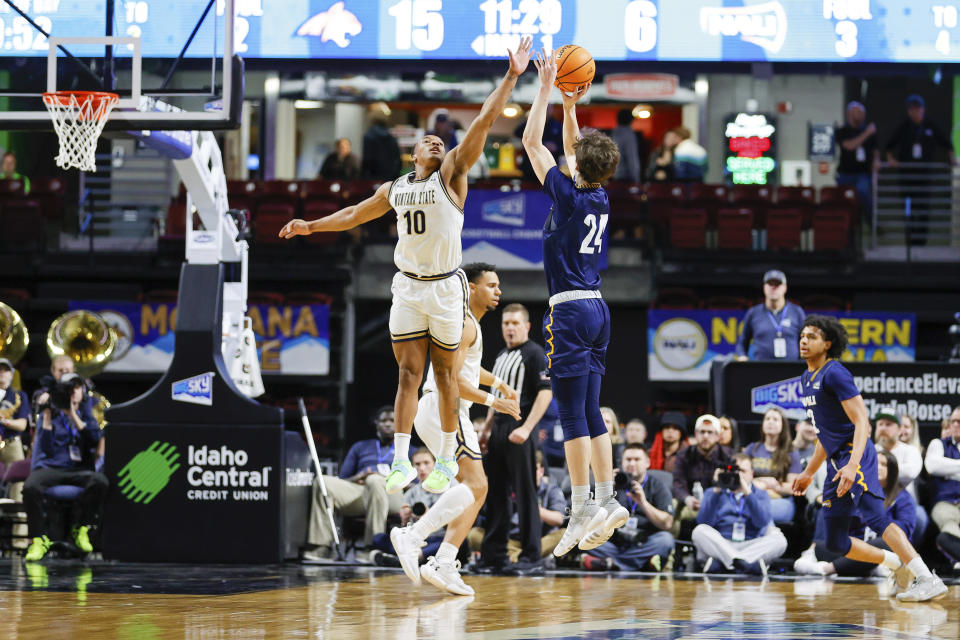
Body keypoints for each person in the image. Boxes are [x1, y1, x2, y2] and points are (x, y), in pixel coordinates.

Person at [280, 38, 534, 498]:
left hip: (444, 288)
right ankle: (399, 458)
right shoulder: (395, 188)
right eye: (426, 141)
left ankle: (442, 460)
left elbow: (484, 121)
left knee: (444, 376)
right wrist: (311, 226)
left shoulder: (453, 174)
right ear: (412, 155)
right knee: (406, 376)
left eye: (440, 139)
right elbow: (354, 214)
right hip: (408, 288)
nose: (436, 141)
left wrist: (512, 77)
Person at [521, 49, 627, 557]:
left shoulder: (565, 195)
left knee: (568, 415)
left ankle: (583, 505)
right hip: (599, 310)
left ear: (576, 167)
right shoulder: (599, 195)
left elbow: (529, 142)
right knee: (590, 411)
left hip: (568, 309)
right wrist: (570, 106)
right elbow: (569, 148)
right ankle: (606, 498)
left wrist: (544, 88)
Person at [791, 315, 946, 601]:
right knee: (836, 540)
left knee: (875, 517)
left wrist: (852, 465)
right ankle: (897, 565)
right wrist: (809, 472)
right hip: (835, 460)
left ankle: (926, 577)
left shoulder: (834, 373)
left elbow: (863, 422)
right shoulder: (806, 378)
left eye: (811, 336)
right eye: (802, 335)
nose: (804, 340)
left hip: (855, 455)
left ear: (827, 343)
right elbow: (825, 435)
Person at [389, 263, 521, 594]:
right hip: (444, 408)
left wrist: (500, 382)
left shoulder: (466, 323)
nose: (498, 292)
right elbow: (458, 383)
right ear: (472, 289)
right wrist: (495, 401)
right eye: (491, 285)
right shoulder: (464, 324)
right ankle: (414, 535)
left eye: (499, 285)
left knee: (476, 488)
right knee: (478, 485)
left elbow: (470, 371)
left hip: (437, 408)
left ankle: (445, 561)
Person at [477, 302, 553, 575]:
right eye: (505, 323)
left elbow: (546, 392)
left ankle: (532, 557)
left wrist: (527, 427)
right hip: (498, 426)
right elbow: (493, 399)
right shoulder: (500, 355)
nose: (509, 328)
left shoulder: (535, 354)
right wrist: (486, 430)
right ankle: (494, 556)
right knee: (495, 494)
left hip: (520, 425)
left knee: (525, 493)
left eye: (515, 323)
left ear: (527, 326)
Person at [303, 406, 406, 562]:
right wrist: (360, 476)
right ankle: (321, 546)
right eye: (383, 420)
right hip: (361, 491)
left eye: (392, 420)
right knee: (323, 481)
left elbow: (418, 482)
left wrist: (384, 477)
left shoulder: (408, 449)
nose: (387, 424)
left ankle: (372, 546)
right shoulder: (361, 447)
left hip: (394, 494)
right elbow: (344, 478)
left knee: (376, 480)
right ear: (376, 423)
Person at [795, 449, 917, 578]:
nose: (878, 467)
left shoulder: (903, 497)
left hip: (886, 546)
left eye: (883, 464)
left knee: (883, 544)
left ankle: (828, 569)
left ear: (892, 471)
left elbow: (904, 529)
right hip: (858, 546)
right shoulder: (858, 492)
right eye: (875, 463)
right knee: (822, 548)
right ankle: (867, 568)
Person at [23, 374, 107, 562]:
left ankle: (81, 528)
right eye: (70, 388)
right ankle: (38, 539)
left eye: (77, 387)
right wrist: (46, 415)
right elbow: (47, 448)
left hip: (79, 470)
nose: (73, 391)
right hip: (52, 469)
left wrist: (73, 415)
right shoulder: (52, 414)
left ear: (82, 392)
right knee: (30, 486)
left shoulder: (87, 416)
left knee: (100, 481)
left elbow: (93, 440)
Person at [581, 444, 675, 571]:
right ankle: (642, 563)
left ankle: (609, 563)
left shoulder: (658, 486)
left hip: (644, 542)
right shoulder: (610, 483)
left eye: (637, 459)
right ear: (622, 462)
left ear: (647, 463)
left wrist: (643, 503)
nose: (632, 463)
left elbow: (667, 523)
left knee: (666, 540)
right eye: (628, 459)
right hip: (613, 542)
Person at [692, 453, 787, 575]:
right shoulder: (714, 492)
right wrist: (717, 488)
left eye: (742, 471)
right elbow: (704, 522)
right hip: (722, 543)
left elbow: (762, 522)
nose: (738, 475)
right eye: (735, 471)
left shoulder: (760, 494)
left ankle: (727, 563)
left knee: (779, 540)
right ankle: (745, 564)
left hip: (751, 544)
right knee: (699, 531)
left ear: (752, 473)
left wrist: (748, 494)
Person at [885, 95, 955, 246]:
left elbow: (947, 144)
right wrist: (891, 159)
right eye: (912, 109)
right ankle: (910, 240)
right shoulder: (904, 126)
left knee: (923, 208)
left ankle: (921, 241)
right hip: (906, 177)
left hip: (924, 176)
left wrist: (952, 158)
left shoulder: (930, 125)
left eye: (917, 109)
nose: (915, 112)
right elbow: (889, 145)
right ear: (908, 111)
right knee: (909, 209)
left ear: (923, 110)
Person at [673, 415, 734, 534]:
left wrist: (719, 482)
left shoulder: (728, 456)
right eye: (702, 432)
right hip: (691, 503)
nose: (705, 436)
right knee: (672, 505)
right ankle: (672, 550)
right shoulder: (684, 455)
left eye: (710, 432)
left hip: (719, 502)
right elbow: (677, 484)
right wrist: (687, 498)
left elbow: (732, 488)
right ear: (696, 434)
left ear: (718, 436)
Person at [743, 408, 802, 524]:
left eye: (775, 419)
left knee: (755, 511)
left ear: (783, 426)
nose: (770, 422)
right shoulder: (752, 449)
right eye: (767, 419)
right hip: (753, 497)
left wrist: (774, 485)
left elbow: (793, 488)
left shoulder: (791, 452)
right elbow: (741, 477)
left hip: (780, 501)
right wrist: (761, 482)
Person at [735, 270, 806, 361]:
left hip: (792, 369)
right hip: (761, 369)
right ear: (764, 287)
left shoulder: (797, 311)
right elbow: (742, 341)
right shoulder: (753, 313)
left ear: (785, 288)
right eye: (770, 284)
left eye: (777, 284)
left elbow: (806, 341)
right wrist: (742, 356)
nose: (773, 288)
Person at [924, 406, 960, 568]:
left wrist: (949, 469)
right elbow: (933, 465)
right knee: (948, 524)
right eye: (953, 421)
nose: (956, 425)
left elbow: (942, 466)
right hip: (945, 502)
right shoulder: (938, 444)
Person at [834, 101, 879, 224]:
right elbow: (849, 146)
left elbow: (875, 150)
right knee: (839, 197)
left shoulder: (869, 133)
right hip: (845, 174)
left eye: (861, 113)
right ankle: (842, 223)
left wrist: (876, 160)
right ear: (848, 114)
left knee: (863, 190)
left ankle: (870, 222)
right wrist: (867, 133)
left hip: (863, 174)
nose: (858, 115)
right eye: (855, 112)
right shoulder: (842, 131)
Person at [0, 358, 29, 502]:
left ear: (11, 375)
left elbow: (23, 425)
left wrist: (3, 421)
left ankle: (20, 521)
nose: (2, 374)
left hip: (12, 443)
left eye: (6, 370)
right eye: (0, 370)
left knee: (19, 485)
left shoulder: (20, 396)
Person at [360, 103, 402, 180]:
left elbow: (367, 162)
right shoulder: (392, 138)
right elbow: (398, 162)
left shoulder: (368, 137)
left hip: (373, 181)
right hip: (390, 180)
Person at [611, 109, 640, 183]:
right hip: (626, 177)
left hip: (613, 176)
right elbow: (632, 158)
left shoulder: (614, 133)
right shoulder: (629, 134)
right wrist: (637, 180)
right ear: (630, 120)